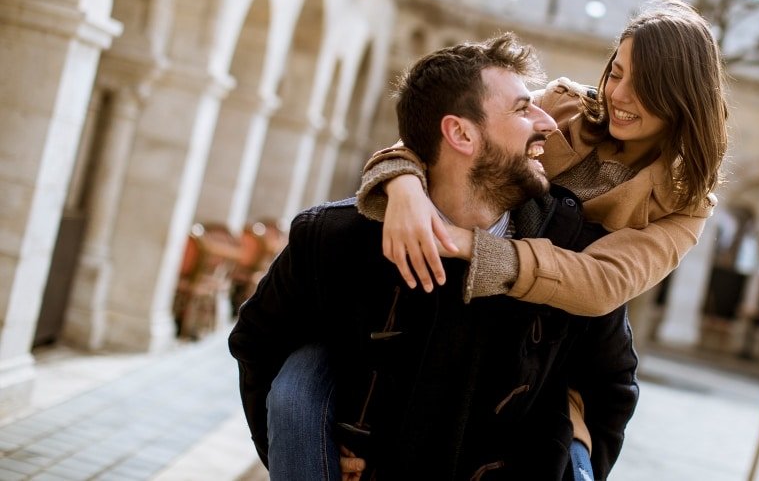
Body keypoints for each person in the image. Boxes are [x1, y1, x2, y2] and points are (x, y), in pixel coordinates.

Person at [229, 34, 639, 480]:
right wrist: (302, 454)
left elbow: (612, 390)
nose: (548, 123)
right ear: (460, 133)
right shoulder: (334, 239)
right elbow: (258, 344)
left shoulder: (574, 255)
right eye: (523, 109)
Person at [358, 0, 729, 320]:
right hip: (436, 291)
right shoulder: (562, 107)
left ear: (683, 97)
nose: (619, 94)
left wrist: (469, 244)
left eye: (644, 86)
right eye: (616, 74)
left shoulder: (686, 202)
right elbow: (443, 133)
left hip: (542, 337)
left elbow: (603, 285)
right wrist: (404, 188)